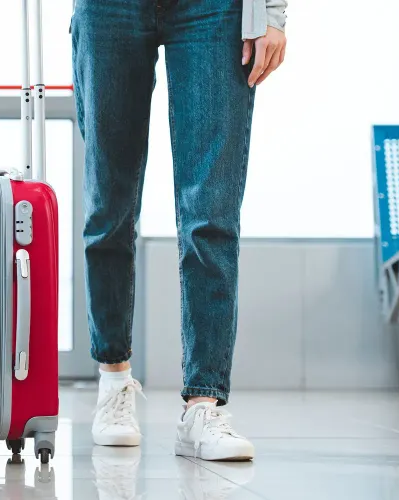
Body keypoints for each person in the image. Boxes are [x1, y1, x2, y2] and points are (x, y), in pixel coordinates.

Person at [72, 0, 288, 460]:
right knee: (109, 207)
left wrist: (271, 13)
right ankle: (113, 380)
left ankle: (203, 405)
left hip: (214, 10)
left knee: (210, 216)